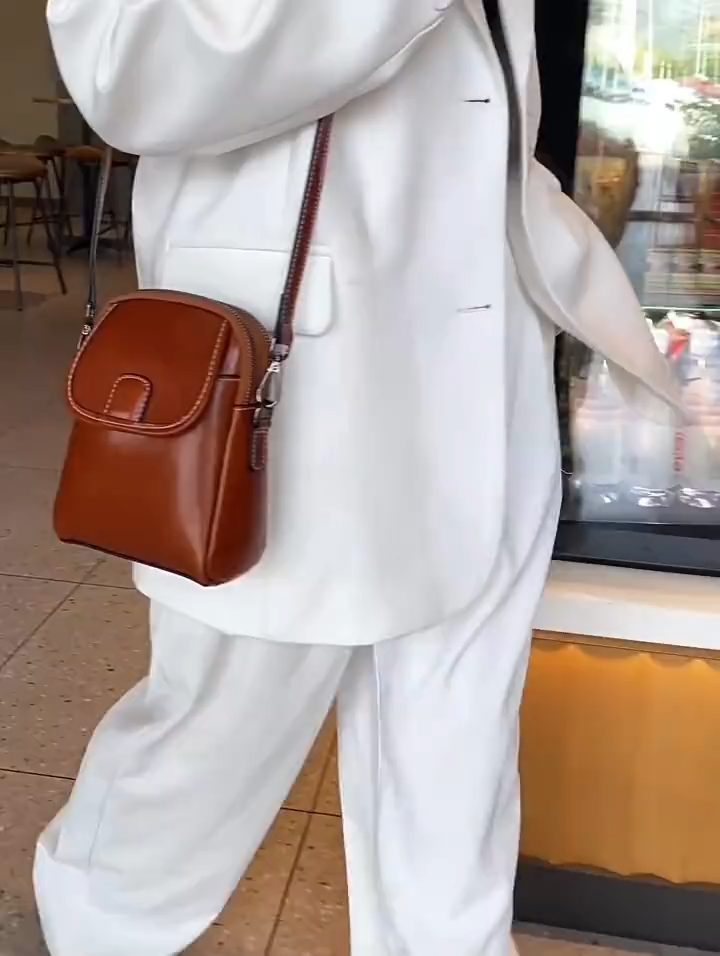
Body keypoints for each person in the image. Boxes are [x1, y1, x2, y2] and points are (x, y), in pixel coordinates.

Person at [38, 1, 681, 955]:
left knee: (458, 711)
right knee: (227, 707)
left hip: (488, 341)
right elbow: (130, 75)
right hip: (301, 363)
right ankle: (102, 924)